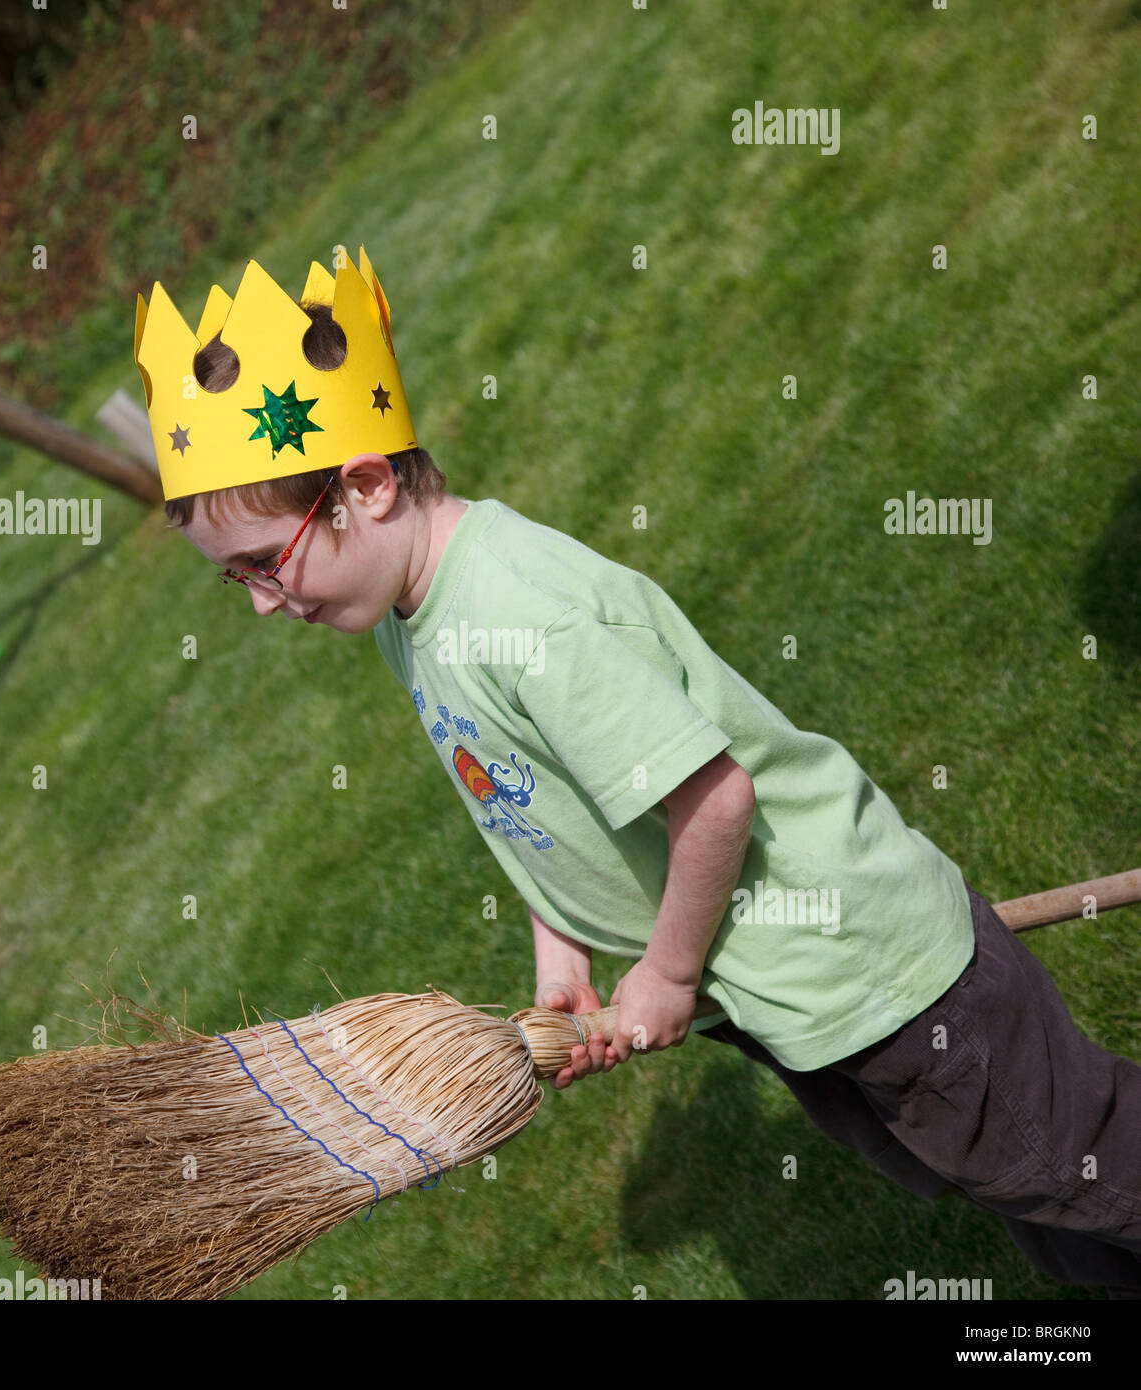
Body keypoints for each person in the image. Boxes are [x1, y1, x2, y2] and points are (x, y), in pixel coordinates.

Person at [135, 246, 1141, 1298]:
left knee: (1080, 1163)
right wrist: (560, 956)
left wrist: (662, 973)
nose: (258, 600)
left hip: (871, 969)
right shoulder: (407, 616)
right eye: (232, 581)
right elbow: (521, 802)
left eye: (264, 562)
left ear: (366, 485)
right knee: (1040, 1205)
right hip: (781, 999)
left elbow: (714, 801)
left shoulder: (524, 614)